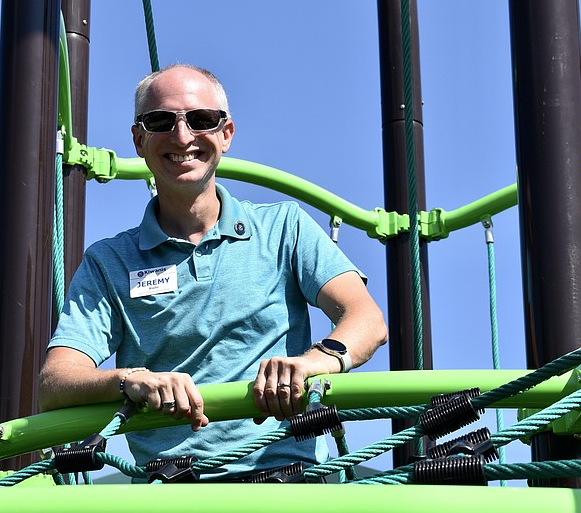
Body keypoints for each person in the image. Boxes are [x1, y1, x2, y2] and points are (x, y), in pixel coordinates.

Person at [39, 64, 387, 479]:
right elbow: (56, 380)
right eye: (160, 121)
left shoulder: (284, 228)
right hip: (171, 486)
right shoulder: (109, 261)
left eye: (201, 119)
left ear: (226, 133)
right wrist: (131, 380)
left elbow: (367, 319)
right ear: (139, 140)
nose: (182, 136)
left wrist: (315, 362)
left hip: (291, 480)